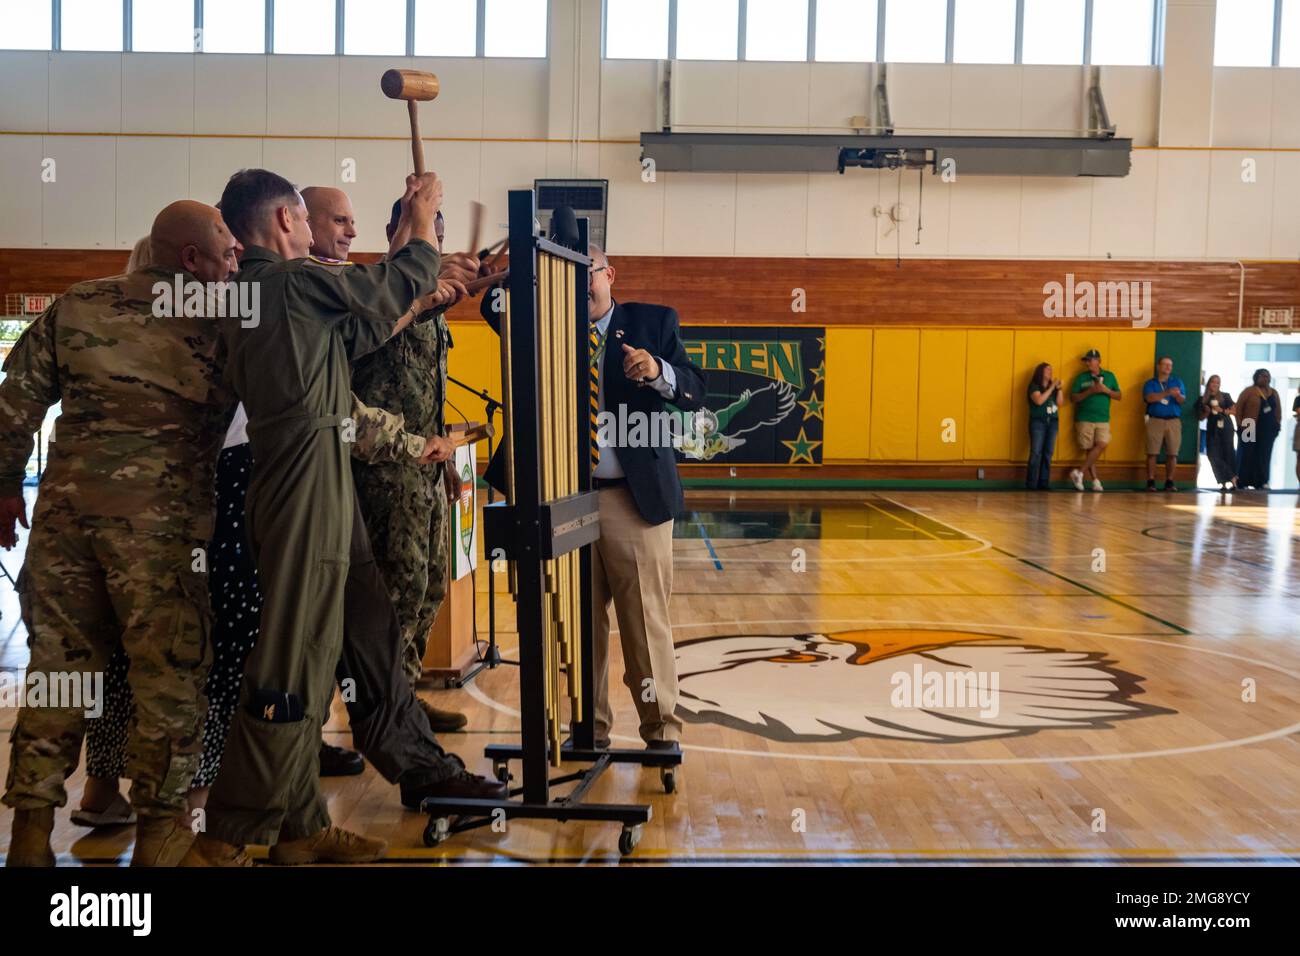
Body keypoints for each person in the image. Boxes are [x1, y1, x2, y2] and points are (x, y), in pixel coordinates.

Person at [185, 167, 445, 867]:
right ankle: (226, 832)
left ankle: (299, 828)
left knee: (315, 650)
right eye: (305, 219)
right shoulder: (290, 282)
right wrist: (420, 220)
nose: (313, 233)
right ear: (281, 223)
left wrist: (412, 291)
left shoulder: (255, 296)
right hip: (306, 482)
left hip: (294, 475)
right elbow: (392, 282)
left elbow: (342, 344)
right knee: (293, 660)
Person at [1, 201, 239, 866]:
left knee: (60, 677)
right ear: (192, 260)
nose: (237, 267)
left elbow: (15, 399)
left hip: (64, 531)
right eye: (229, 255)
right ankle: (162, 831)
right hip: (162, 538)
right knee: (170, 677)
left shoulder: (79, 303)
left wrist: (1, 485)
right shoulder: (224, 320)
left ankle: (29, 837)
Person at [483, 244, 706, 749]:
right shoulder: (543, 325)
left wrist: (657, 373)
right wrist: (511, 271)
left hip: (634, 499)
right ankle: (589, 728)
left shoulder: (652, 322)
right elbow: (490, 309)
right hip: (565, 497)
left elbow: (696, 388)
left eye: (587, 272)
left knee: (644, 619)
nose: (580, 284)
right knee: (577, 619)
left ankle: (661, 728)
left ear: (610, 274)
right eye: (565, 274)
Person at [309, 186, 477, 732]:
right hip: (377, 469)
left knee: (429, 585)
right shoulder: (370, 295)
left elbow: (432, 388)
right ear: (399, 236)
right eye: (428, 236)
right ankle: (376, 710)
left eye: (440, 238)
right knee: (393, 590)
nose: (436, 248)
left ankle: (403, 698)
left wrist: (448, 460)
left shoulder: (437, 306)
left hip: (424, 469)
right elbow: (352, 364)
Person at [1068, 349, 1121, 492]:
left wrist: (1106, 390)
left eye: (1090, 360)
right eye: (1086, 360)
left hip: (1103, 418)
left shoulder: (1109, 376)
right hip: (1084, 418)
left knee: (1102, 444)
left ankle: (1080, 472)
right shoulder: (1081, 378)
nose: (1087, 363)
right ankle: (1095, 480)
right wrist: (1090, 391)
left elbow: (1119, 395)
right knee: (1090, 450)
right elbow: (1073, 398)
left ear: (1099, 361)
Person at [1142, 356, 1186, 492]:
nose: (1168, 367)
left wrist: (1178, 396)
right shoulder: (1151, 383)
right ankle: (1150, 481)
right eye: (1165, 364)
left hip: (1173, 421)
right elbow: (1149, 398)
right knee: (1152, 452)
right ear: (1158, 367)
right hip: (1155, 420)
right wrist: (1167, 392)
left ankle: (1169, 481)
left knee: (1173, 453)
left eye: (1170, 365)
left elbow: (1182, 400)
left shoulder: (1177, 382)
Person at [1235, 368, 1281, 489]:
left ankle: (1262, 481)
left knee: (1264, 454)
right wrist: (1240, 425)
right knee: (1246, 453)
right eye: (1262, 376)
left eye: (1267, 376)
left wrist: (1277, 425)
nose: (1265, 378)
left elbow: (1278, 411)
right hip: (1248, 424)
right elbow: (1238, 408)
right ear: (1256, 377)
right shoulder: (1248, 391)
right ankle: (1242, 481)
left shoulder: (1274, 393)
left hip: (1268, 429)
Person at [1194, 375, 1237, 491]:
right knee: (1213, 454)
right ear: (1209, 383)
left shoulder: (1225, 396)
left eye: (1218, 382)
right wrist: (1207, 412)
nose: (1215, 384)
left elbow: (1235, 410)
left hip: (1226, 426)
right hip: (1212, 428)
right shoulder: (1202, 399)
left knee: (1227, 452)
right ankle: (1230, 477)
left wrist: (1222, 410)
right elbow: (1200, 418)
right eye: (1213, 382)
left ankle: (1230, 483)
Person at [1025, 363, 1060, 490]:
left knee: (1048, 452)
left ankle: (1044, 482)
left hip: (1053, 421)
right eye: (1048, 369)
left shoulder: (1053, 388)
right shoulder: (1034, 386)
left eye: (1051, 369)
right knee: (1036, 452)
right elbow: (1039, 401)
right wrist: (1051, 388)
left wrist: (1059, 389)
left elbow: (1060, 402)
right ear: (1041, 372)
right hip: (1038, 421)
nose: (1051, 372)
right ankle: (1031, 483)